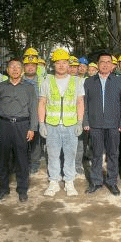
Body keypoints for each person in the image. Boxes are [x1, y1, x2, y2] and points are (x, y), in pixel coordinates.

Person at [38, 48, 85, 197]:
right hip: (52, 125)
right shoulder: (47, 81)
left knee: (70, 155)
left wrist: (80, 122)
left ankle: (69, 181)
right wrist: (41, 123)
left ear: (68, 64)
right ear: (54, 65)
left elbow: (80, 102)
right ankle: (54, 182)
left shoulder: (76, 81)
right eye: (58, 62)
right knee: (52, 155)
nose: (61, 65)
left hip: (71, 125)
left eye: (64, 62)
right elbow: (42, 103)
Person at [0, 59, 38, 203]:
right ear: (7, 70)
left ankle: (22, 189)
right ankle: (3, 189)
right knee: (3, 159)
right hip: (3, 125)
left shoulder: (29, 87)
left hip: (22, 125)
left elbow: (33, 108)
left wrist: (32, 128)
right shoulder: (0, 87)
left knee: (22, 159)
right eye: (12, 67)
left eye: (18, 67)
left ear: (22, 70)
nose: (15, 69)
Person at [83, 52, 121, 196]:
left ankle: (112, 182)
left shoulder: (119, 81)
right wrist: (85, 121)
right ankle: (96, 181)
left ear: (112, 65)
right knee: (96, 154)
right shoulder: (89, 82)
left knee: (113, 154)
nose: (105, 64)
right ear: (97, 64)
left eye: (108, 62)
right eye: (102, 62)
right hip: (95, 124)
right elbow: (85, 104)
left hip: (113, 124)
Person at [22, 55, 44, 174]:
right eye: (27, 65)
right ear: (24, 67)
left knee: (36, 141)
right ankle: (23, 163)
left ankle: (34, 163)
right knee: (22, 141)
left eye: (33, 65)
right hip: (22, 116)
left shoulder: (42, 81)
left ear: (36, 67)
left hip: (37, 115)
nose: (30, 68)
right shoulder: (18, 80)